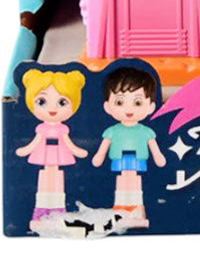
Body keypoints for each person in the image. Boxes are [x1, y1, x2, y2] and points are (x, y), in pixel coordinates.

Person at [92, 66, 166, 228]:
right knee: (123, 186)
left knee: (135, 187)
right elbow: (103, 148)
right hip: (120, 161)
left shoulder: (146, 132)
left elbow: (155, 148)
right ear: (107, 107)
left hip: (138, 161)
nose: (129, 109)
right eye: (119, 102)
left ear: (151, 106)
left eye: (138, 102)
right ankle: (120, 212)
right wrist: (99, 156)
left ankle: (136, 212)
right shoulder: (112, 131)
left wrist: (159, 156)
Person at [15, 69, 88, 231]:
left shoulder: (62, 129)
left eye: (62, 102)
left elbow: (68, 143)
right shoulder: (41, 128)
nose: (52, 109)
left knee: (57, 186)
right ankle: (40, 215)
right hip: (44, 156)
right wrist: (25, 150)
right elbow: (35, 142)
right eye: (42, 101)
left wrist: (77, 151)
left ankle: (58, 215)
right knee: (44, 186)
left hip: (59, 157)